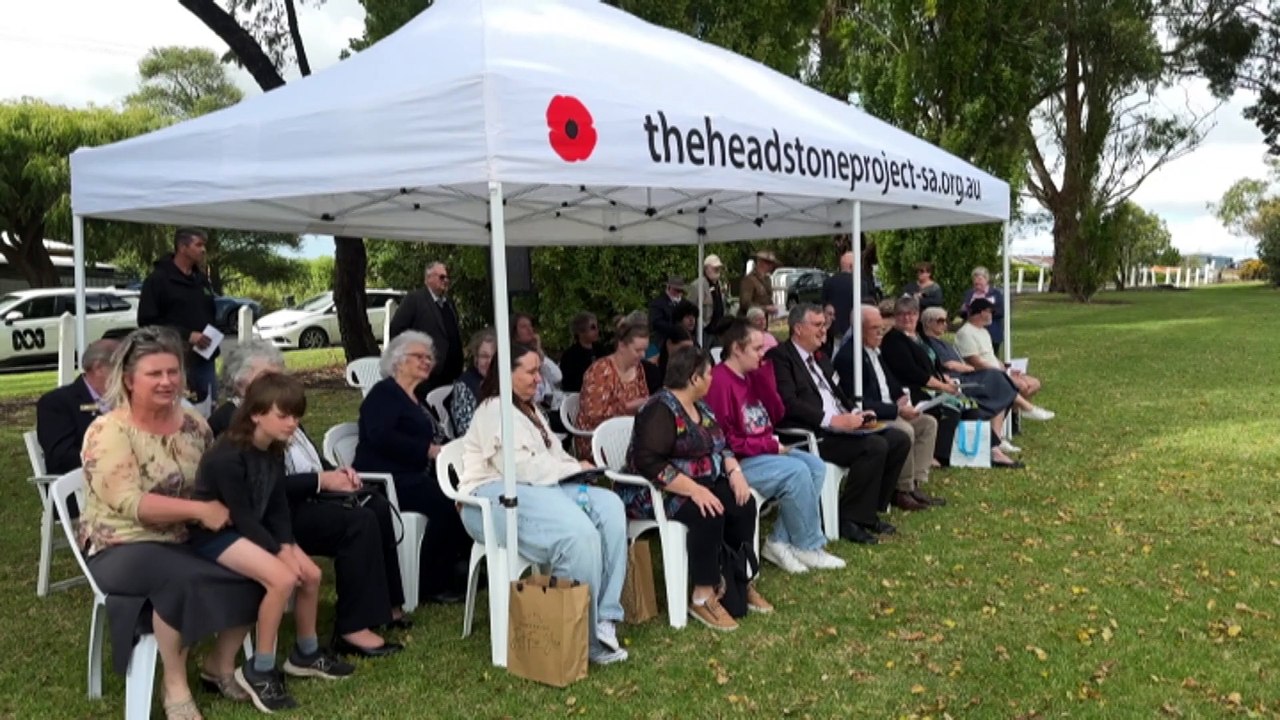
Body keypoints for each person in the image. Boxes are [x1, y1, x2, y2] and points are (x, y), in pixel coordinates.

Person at [78, 327, 260, 720]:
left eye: (173, 371)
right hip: (123, 545)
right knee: (181, 580)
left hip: (189, 537)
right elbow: (131, 503)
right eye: (154, 374)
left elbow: (214, 477)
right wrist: (199, 511)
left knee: (261, 567)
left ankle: (219, 663)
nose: (167, 381)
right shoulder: (109, 431)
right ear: (129, 380)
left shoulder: (193, 423)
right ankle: (174, 684)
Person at [209, 341, 408, 659]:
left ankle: (386, 607)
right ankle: (352, 628)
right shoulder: (234, 418)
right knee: (356, 522)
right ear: (240, 381)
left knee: (376, 505)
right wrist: (319, 481)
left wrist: (336, 473)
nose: (278, 384)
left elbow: (310, 459)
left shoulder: (279, 410)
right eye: (268, 377)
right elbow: (263, 486)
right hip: (276, 512)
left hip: (305, 497)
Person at [189, 373, 355, 713]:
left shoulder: (274, 449)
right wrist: (279, 553)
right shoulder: (227, 457)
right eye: (284, 415)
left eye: (296, 415)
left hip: (253, 530)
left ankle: (306, 653)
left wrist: (287, 545)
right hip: (217, 536)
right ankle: (260, 669)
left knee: (311, 575)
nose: (293, 423)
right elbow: (242, 516)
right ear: (256, 414)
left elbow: (277, 507)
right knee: (282, 579)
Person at [458, 343, 629, 664]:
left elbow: (555, 458)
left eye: (539, 371)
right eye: (531, 371)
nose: (539, 379)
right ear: (506, 374)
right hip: (491, 499)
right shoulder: (494, 409)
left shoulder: (530, 410)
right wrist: (571, 470)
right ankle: (582, 637)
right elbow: (519, 469)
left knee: (609, 505)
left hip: (540, 488)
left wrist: (579, 468)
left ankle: (605, 616)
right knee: (579, 534)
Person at [624, 346, 773, 631]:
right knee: (708, 510)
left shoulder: (700, 406)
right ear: (694, 378)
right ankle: (702, 595)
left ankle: (737, 581)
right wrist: (693, 489)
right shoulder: (659, 409)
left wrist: (735, 472)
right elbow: (648, 462)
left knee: (743, 503)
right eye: (708, 374)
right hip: (657, 491)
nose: (712, 379)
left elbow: (721, 444)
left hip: (703, 481)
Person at [705, 320, 845, 574]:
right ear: (736, 349)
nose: (763, 354)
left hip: (764, 449)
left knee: (815, 466)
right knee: (797, 472)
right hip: (737, 462)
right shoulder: (719, 382)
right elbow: (722, 440)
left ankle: (779, 541)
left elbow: (776, 414)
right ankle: (807, 545)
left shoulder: (751, 375)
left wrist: (764, 377)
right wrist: (767, 445)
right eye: (757, 349)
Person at [766, 304, 910, 545]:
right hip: (812, 434)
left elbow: (838, 394)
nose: (824, 330)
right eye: (817, 325)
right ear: (798, 329)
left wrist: (855, 413)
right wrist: (832, 419)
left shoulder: (820, 358)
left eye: (824, 324)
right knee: (874, 447)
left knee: (898, 439)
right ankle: (849, 519)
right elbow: (788, 403)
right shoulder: (780, 357)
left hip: (840, 427)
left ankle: (869, 511)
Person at [353, 331, 470, 603]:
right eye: (420, 356)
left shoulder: (418, 397)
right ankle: (430, 583)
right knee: (446, 503)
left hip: (416, 472)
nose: (427, 362)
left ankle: (457, 568)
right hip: (387, 478)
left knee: (466, 494)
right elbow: (380, 436)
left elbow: (436, 437)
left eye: (429, 358)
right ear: (398, 361)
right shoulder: (383, 394)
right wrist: (426, 450)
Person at [835, 307, 944, 511]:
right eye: (874, 328)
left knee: (928, 424)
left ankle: (915, 483)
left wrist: (901, 397)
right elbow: (859, 402)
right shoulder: (849, 357)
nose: (880, 333)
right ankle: (901, 490)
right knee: (906, 430)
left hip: (892, 408)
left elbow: (890, 382)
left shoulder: (875, 350)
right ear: (859, 329)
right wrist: (897, 410)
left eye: (882, 328)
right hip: (873, 415)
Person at [920, 306, 1026, 458]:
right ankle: (1024, 409)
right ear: (928, 323)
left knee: (1000, 382)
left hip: (966, 377)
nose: (945, 324)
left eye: (946, 320)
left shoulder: (944, 342)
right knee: (998, 381)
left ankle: (997, 438)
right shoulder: (929, 344)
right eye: (940, 321)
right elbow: (949, 364)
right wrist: (971, 368)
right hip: (957, 382)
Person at [137, 228, 220, 406]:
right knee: (180, 407)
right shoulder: (158, 280)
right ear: (182, 247)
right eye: (198, 245)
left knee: (208, 406)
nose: (203, 250)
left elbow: (209, 312)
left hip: (204, 356)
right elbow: (147, 322)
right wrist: (187, 335)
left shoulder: (201, 280)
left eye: (204, 245)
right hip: (173, 357)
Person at [955, 298, 1054, 419]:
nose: (992, 316)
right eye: (990, 312)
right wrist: (1000, 372)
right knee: (1021, 385)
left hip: (997, 371)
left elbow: (991, 357)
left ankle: (1014, 412)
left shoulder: (984, 332)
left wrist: (1006, 368)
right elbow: (975, 362)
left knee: (1034, 383)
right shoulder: (965, 333)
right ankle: (1019, 412)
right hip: (985, 376)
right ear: (982, 312)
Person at [36, 338, 118, 475]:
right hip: (80, 483)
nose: (131, 374)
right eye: (123, 367)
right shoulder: (57, 403)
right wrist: (113, 457)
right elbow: (62, 457)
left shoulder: (128, 399)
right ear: (99, 368)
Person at [576, 319, 651, 458]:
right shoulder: (600, 370)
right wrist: (628, 407)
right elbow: (594, 415)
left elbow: (644, 399)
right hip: (598, 437)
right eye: (638, 350)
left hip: (628, 433)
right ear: (621, 346)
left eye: (644, 350)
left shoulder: (638, 368)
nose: (643, 355)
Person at [388, 261, 463, 393]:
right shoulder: (415, 300)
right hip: (427, 375)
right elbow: (397, 330)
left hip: (451, 374)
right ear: (428, 279)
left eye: (447, 277)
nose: (446, 281)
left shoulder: (449, 304)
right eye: (441, 277)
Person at [821, 245, 880, 343]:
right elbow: (866, 306)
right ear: (852, 266)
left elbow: (824, 305)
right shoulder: (861, 284)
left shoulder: (828, 282)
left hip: (833, 331)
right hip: (854, 330)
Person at [513, 313, 565, 417]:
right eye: (524, 326)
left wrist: (539, 350)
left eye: (530, 325)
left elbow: (557, 377)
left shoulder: (536, 354)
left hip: (551, 408)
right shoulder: (514, 356)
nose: (530, 329)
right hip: (532, 410)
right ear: (514, 332)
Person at [450, 328, 497, 436]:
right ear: (476, 358)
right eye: (484, 356)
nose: (489, 362)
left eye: (494, 357)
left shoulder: (505, 382)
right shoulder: (464, 386)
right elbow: (466, 430)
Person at [960, 266, 1006, 354]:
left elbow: (1001, 312)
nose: (977, 282)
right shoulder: (969, 293)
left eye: (980, 279)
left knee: (991, 358)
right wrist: (965, 310)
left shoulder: (996, 294)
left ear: (986, 279)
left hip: (992, 332)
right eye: (975, 279)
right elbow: (963, 313)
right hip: (972, 333)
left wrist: (985, 313)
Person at [645, 326, 695, 394]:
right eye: (683, 349)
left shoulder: (692, 369)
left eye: (690, 350)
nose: (686, 353)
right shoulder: (650, 368)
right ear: (669, 344)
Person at [559, 313, 601, 393]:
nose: (597, 331)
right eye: (592, 327)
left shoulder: (600, 349)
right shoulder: (570, 356)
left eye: (597, 327)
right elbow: (568, 384)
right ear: (580, 331)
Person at [691, 254, 727, 344]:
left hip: (719, 330)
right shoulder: (697, 285)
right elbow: (690, 307)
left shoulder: (720, 284)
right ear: (706, 269)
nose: (717, 270)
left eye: (718, 268)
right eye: (714, 268)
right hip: (705, 330)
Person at [648, 275, 688, 354]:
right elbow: (655, 322)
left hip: (681, 339)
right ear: (668, 287)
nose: (678, 293)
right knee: (651, 354)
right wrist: (674, 329)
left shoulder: (685, 303)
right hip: (661, 339)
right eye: (676, 290)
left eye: (681, 291)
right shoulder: (658, 303)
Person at [738, 250, 779, 316]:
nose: (771, 266)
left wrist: (772, 307)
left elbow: (767, 298)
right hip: (749, 318)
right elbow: (745, 303)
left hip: (762, 318)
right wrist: (765, 308)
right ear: (759, 262)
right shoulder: (749, 280)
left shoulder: (767, 279)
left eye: (772, 263)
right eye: (767, 263)